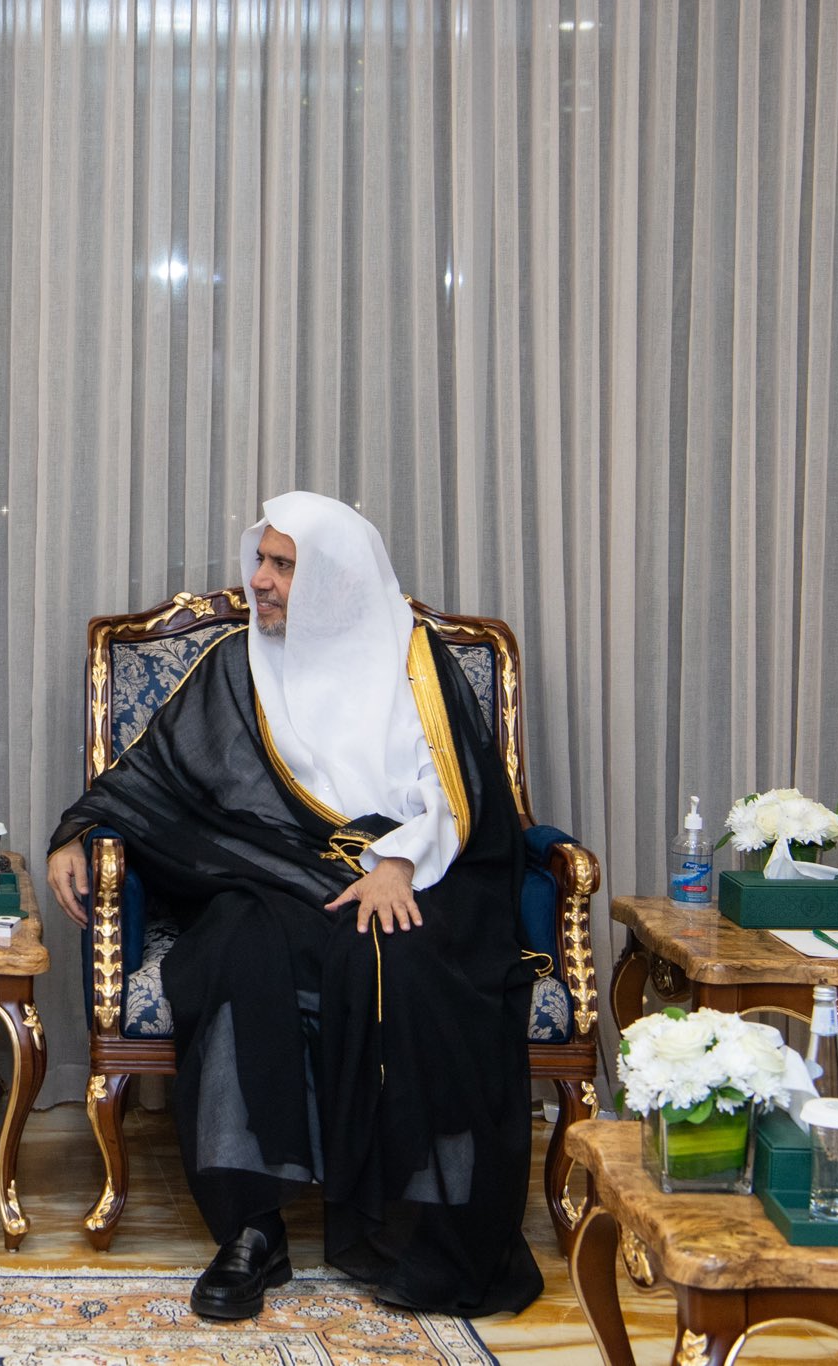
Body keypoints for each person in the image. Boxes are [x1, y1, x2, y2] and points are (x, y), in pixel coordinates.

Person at [46, 491, 542, 1322]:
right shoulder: (239, 664)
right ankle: (251, 1228)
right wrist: (82, 829)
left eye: (283, 566)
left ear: (335, 584)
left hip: (413, 870)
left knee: (405, 963)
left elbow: (455, 794)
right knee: (236, 951)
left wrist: (396, 864)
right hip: (271, 874)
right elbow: (155, 773)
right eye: (261, 561)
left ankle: (426, 1221)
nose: (259, 582)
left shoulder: (414, 659)